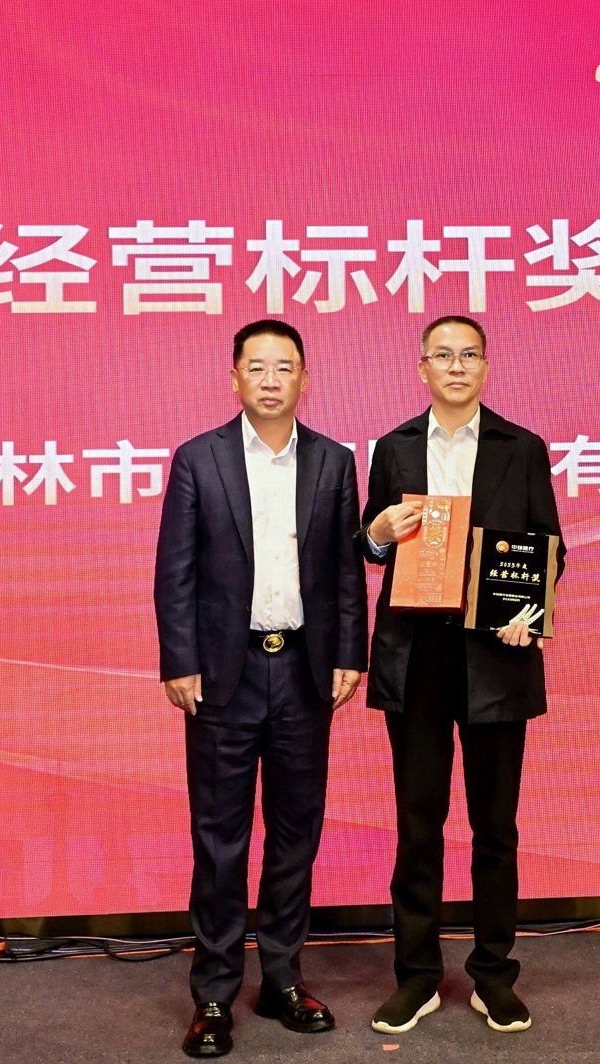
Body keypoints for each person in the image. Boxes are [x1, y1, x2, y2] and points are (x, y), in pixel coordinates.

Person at [154, 319, 367, 1058]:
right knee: (219, 840)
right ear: (235, 378)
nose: (271, 379)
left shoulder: (334, 461)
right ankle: (214, 994)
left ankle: (281, 978)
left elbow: (345, 573)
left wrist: (348, 653)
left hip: (305, 671)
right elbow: (175, 571)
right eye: (258, 366)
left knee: (294, 834)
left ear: (305, 378)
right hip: (224, 676)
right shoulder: (199, 459)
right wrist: (179, 661)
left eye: (285, 367)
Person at [359, 315, 565, 1036]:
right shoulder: (394, 447)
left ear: (485, 366)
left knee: (494, 827)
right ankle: (416, 976)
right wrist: (377, 534)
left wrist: (529, 609)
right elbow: (368, 541)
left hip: (496, 656)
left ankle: (493, 974)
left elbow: (548, 548)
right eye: (441, 355)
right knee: (418, 824)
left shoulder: (521, 448)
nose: (454, 366)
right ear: (421, 368)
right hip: (416, 655)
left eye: (467, 354)